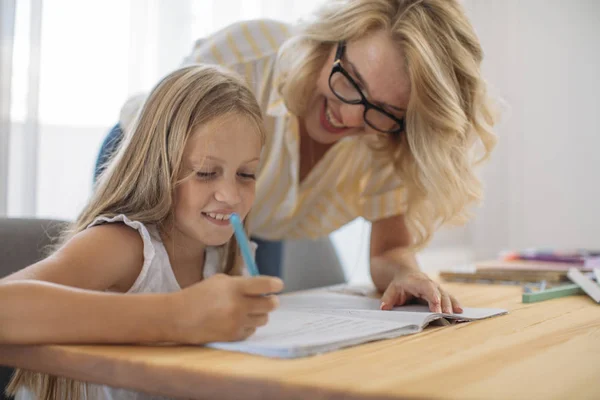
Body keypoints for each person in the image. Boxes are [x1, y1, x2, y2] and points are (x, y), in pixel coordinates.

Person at [97, 0, 497, 316]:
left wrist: (407, 274)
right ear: (330, 41)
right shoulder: (244, 59)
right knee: (148, 301)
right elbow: (166, 160)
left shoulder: (389, 139)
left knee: (254, 319)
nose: (351, 116)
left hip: (256, 222)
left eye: (385, 111)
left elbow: (386, 252)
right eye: (351, 81)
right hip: (150, 164)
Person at [1, 64, 284, 399]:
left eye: (246, 174)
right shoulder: (126, 245)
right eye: (206, 173)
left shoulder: (230, 252)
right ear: (158, 167)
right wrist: (178, 316)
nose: (231, 195)